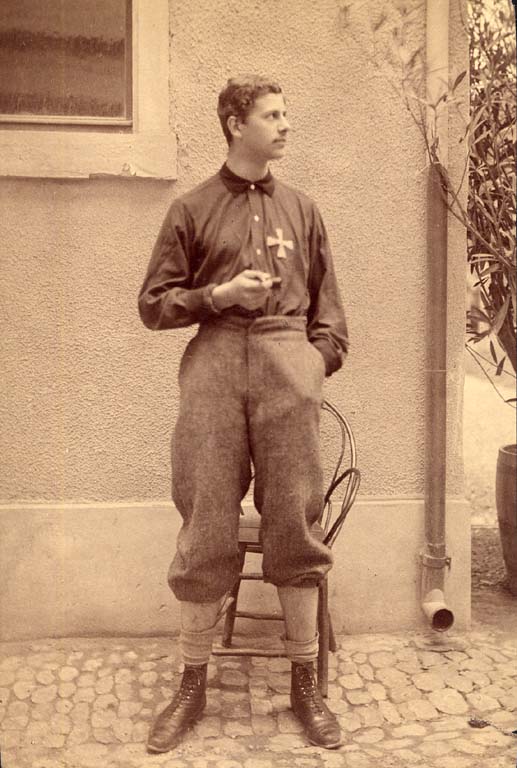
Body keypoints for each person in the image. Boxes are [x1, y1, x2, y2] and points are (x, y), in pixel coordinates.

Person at [138, 74, 349, 753]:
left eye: (285, 114)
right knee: (205, 520)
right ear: (235, 124)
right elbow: (153, 305)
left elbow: (331, 316)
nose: (285, 125)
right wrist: (218, 296)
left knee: (295, 520)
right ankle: (191, 684)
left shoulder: (303, 210)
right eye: (272, 115)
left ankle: (305, 686)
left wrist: (308, 366)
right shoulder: (192, 208)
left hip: (288, 367)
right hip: (215, 366)